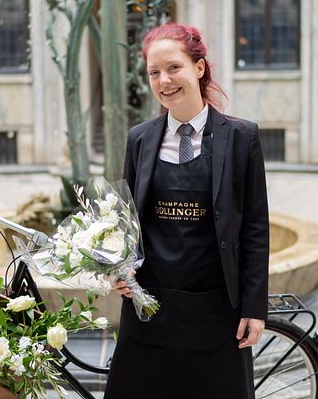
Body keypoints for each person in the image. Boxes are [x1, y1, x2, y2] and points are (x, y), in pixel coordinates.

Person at [104, 23, 270, 399]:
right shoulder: (140, 139)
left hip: (214, 310)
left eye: (173, 67)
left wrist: (254, 307)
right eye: (154, 72)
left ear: (198, 67)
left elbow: (255, 227)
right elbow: (126, 222)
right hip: (149, 309)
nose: (164, 80)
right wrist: (117, 266)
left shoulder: (242, 137)